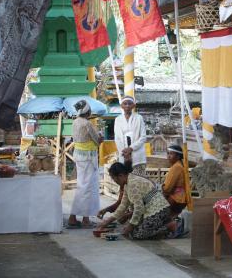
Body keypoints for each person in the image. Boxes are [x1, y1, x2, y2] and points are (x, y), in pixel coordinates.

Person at [97, 162, 176, 239]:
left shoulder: (132, 184)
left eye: (114, 179)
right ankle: (165, 223)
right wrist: (107, 221)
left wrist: (131, 225)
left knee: (137, 234)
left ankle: (169, 227)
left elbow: (139, 208)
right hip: (153, 211)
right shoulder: (127, 184)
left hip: (159, 211)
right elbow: (123, 205)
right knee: (131, 230)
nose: (115, 181)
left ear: (120, 176)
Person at [68, 100, 102, 228]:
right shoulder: (87, 124)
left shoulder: (75, 122)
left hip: (79, 156)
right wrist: (100, 139)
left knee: (83, 186)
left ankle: (76, 216)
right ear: (87, 111)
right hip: (88, 157)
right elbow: (97, 139)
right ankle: (84, 219)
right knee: (86, 188)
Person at [114, 96, 147, 176]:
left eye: (130, 103)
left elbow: (143, 137)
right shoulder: (118, 119)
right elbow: (117, 138)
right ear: (122, 106)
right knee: (125, 178)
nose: (127, 106)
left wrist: (131, 148)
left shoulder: (139, 118)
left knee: (138, 179)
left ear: (133, 105)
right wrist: (125, 152)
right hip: (124, 154)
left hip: (137, 153)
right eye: (125, 104)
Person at [162, 145, 190, 215]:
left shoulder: (176, 167)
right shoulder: (179, 165)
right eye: (168, 153)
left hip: (176, 199)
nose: (168, 156)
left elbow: (167, 188)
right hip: (180, 198)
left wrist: (161, 187)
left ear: (178, 156)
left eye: (171, 154)